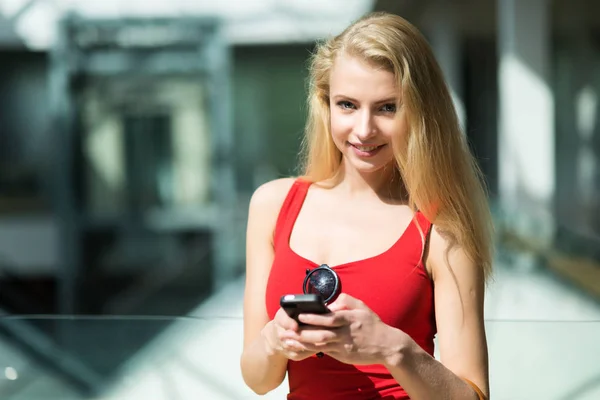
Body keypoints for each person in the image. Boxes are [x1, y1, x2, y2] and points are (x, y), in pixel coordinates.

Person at [240, 11, 493, 400]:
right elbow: (259, 380)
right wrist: (277, 338)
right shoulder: (272, 205)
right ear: (325, 105)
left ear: (420, 114)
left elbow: (473, 395)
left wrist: (391, 348)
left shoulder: (441, 229)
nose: (363, 130)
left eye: (387, 108)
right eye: (347, 105)